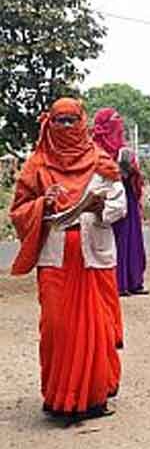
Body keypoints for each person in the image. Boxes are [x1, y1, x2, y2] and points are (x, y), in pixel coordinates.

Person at [8, 98, 124, 421]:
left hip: (94, 256)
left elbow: (120, 205)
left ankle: (95, 396)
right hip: (54, 258)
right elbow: (17, 211)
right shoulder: (37, 165)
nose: (67, 127)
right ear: (50, 123)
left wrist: (102, 209)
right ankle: (59, 396)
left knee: (99, 325)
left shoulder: (101, 160)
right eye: (60, 120)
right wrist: (42, 205)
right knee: (57, 327)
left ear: (83, 121)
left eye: (73, 120)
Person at [92, 108, 148, 297]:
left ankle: (134, 281)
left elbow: (136, 177)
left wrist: (130, 169)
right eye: (113, 120)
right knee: (114, 239)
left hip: (127, 198)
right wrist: (113, 170)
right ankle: (117, 282)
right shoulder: (94, 150)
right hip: (107, 200)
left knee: (131, 238)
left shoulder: (124, 149)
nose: (118, 123)